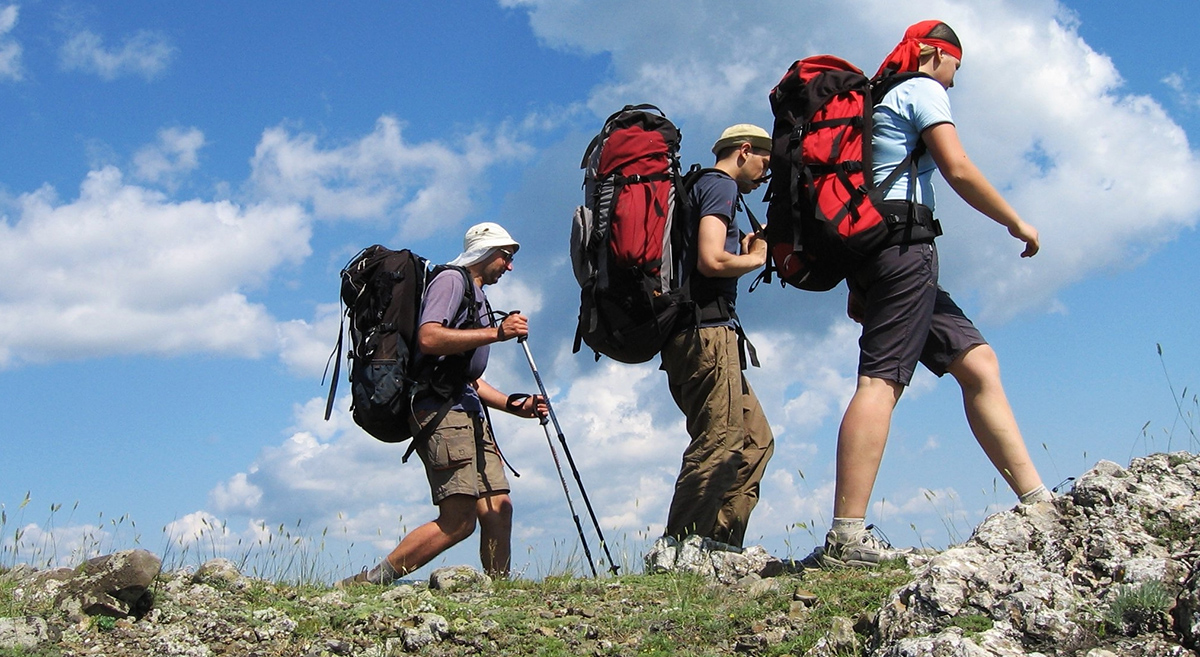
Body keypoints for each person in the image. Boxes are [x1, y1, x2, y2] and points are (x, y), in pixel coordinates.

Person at [820, 21, 1052, 568]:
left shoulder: (876, 101)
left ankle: (1038, 503)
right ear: (933, 54)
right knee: (880, 380)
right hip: (906, 249)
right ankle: (846, 537)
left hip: (883, 254)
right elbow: (958, 167)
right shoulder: (920, 88)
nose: (954, 80)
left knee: (978, 363)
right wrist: (1016, 222)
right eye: (955, 67)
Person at [339, 222, 546, 587]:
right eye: (506, 256)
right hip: (440, 411)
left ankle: (499, 591)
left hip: (465, 408)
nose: (509, 266)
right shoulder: (451, 281)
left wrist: (515, 405)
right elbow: (429, 337)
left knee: (499, 507)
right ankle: (369, 582)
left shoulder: (478, 295)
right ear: (485, 252)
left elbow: (467, 378)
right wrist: (498, 333)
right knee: (459, 520)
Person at [659, 124, 776, 548]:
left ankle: (721, 545)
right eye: (766, 160)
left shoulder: (697, 187)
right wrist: (756, 257)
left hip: (693, 333)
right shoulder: (720, 186)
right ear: (744, 151)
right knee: (721, 439)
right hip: (706, 332)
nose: (767, 172)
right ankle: (680, 549)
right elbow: (711, 260)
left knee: (756, 440)